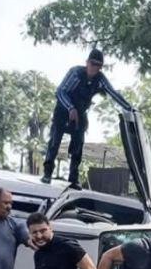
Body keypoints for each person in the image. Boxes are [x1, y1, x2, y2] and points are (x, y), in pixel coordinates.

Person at [41, 48, 134, 190]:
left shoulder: (100, 79)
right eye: (92, 63)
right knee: (55, 141)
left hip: (80, 112)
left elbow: (112, 92)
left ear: (100, 67)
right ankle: (47, 172)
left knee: (78, 144)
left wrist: (129, 108)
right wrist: (70, 108)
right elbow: (60, 91)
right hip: (63, 109)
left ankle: (73, 179)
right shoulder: (76, 73)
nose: (94, 68)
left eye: (97, 65)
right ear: (87, 63)